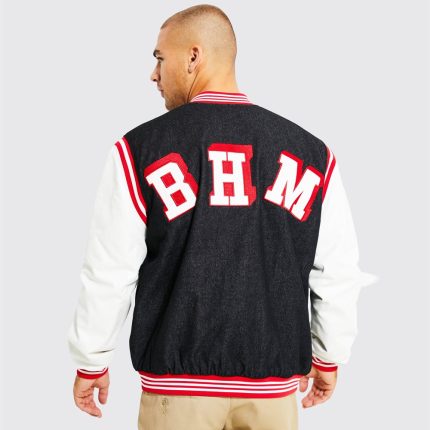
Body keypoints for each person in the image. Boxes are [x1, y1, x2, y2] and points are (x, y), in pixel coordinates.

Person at [67, 4, 379, 429]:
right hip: (272, 391)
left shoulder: (140, 149)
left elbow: (109, 270)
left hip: (178, 391)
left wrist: (91, 360)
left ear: (193, 56)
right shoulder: (310, 153)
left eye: (160, 58)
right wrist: (329, 355)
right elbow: (337, 272)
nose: (154, 74)